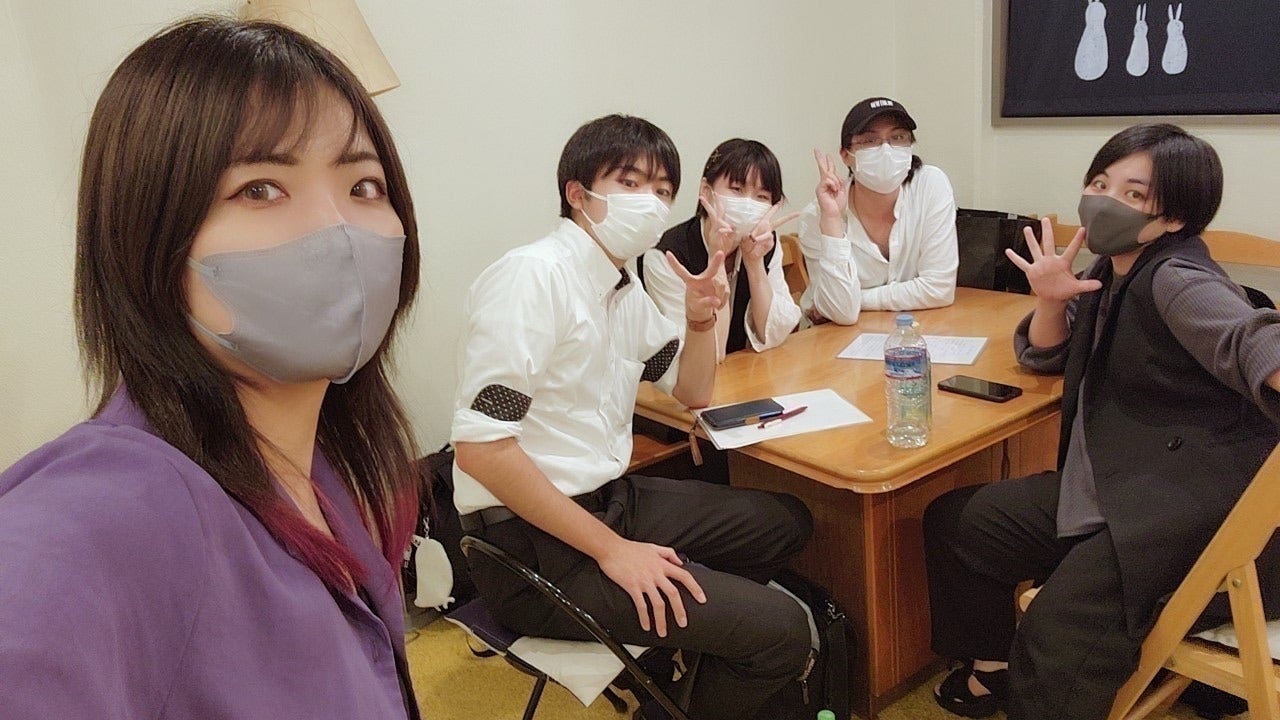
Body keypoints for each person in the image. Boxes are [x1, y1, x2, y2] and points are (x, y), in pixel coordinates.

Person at [0, 18, 423, 719]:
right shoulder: (118, 503)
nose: (338, 230)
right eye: (260, 189)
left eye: (364, 185)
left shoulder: (325, 467)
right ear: (147, 238)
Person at [450, 114, 814, 720]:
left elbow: (693, 391)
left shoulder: (621, 288)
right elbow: (482, 450)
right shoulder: (532, 278)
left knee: (785, 521)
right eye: (630, 182)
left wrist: (700, 319)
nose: (650, 202)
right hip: (529, 544)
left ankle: (684, 656)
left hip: (606, 501)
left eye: (663, 190)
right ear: (578, 193)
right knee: (782, 632)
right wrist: (615, 550)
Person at [922, 123, 1280, 720]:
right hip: (1115, 485)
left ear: (1173, 217)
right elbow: (1047, 356)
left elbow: (1250, 339)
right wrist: (1052, 299)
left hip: (1181, 511)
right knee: (963, 521)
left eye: (1134, 194)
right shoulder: (1113, 267)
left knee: (1054, 635)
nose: (1106, 200)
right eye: (1100, 182)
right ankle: (993, 669)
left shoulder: (1176, 278)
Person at [799, 96, 958, 325]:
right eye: (870, 140)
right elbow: (842, 312)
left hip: (910, 329)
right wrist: (832, 222)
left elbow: (939, 289)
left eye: (898, 137)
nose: (886, 150)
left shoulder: (930, 185)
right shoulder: (818, 216)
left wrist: (860, 299)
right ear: (846, 155)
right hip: (831, 337)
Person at [640, 139, 801, 362]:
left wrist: (755, 264)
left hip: (748, 371)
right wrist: (717, 257)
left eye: (762, 197)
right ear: (706, 191)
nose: (748, 204)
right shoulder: (666, 256)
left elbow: (773, 335)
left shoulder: (764, 245)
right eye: (737, 189)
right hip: (688, 377)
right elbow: (710, 354)